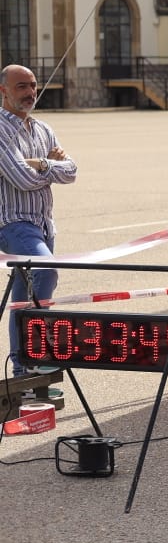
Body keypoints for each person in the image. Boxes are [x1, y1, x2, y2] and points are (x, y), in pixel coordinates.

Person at [0, 65, 78, 376]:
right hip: (14, 225)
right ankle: (35, 357)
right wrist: (51, 165)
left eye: (33, 85)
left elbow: (72, 171)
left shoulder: (43, 129)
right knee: (45, 271)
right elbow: (21, 179)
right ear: (3, 91)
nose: (30, 92)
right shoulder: (1, 128)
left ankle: (24, 371)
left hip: (45, 225)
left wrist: (40, 163)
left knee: (23, 298)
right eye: (21, 86)